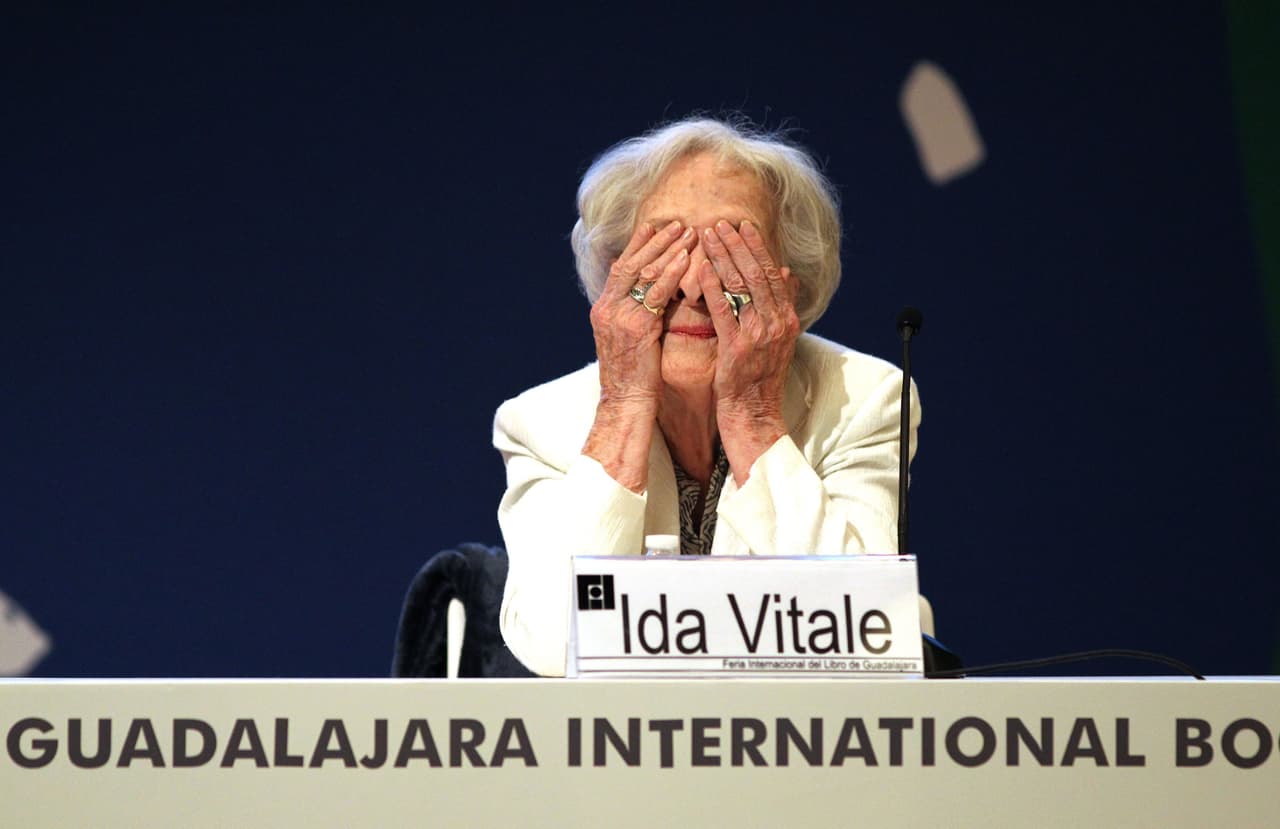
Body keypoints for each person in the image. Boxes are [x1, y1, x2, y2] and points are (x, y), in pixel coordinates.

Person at [494, 116, 920, 676]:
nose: (694, 286)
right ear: (614, 275)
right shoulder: (542, 422)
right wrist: (622, 406)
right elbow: (553, 645)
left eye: (730, 252)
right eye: (666, 247)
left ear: (786, 289)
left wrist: (754, 416)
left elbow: (863, 633)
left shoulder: (865, 399)